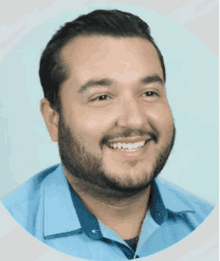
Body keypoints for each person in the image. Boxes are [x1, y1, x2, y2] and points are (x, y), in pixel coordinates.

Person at [1, 9, 214, 260]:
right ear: (53, 119)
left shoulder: (207, 225)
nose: (134, 119)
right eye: (101, 97)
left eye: (149, 93)